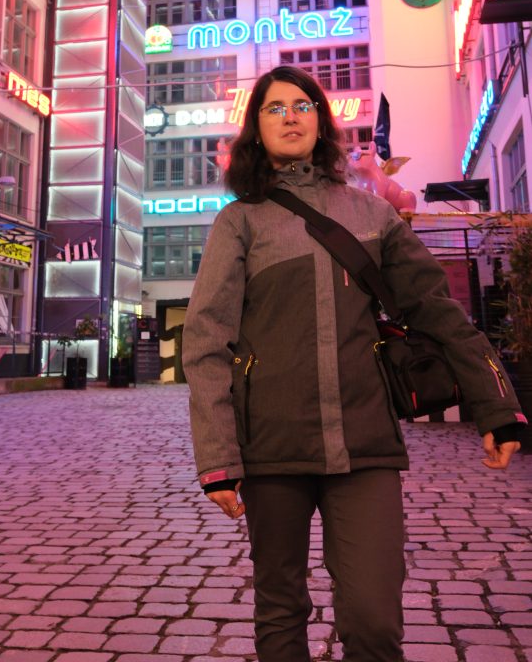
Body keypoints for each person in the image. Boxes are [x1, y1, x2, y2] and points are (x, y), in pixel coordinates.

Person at [182, 65, 526, 662]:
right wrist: (217, 458)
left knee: (373, 619)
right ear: (256, 129)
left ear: (321, 121)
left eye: (302, 105)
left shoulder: (372, 215)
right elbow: (207, 339)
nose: (290, 116)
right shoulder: (240, 221)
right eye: (274, 108)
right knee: (280, 608)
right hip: (271, 446)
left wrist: (497, 407)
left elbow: (437, 310)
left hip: (365, 442)